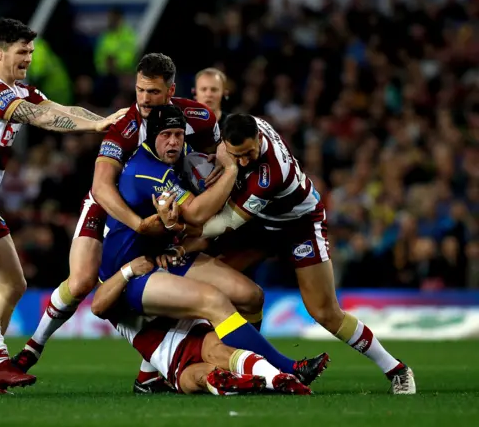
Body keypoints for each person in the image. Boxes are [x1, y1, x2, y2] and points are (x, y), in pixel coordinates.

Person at [0, 18, 125, 394]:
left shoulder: (16, 87)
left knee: (15, 283)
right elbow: (41, 117)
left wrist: (106, 121)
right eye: (22, 52)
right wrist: (93, 127)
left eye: (31, 52)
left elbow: (57, 106)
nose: (28, 59)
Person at [154, 114, 417, 395]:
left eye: (248, 154)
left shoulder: (272, 172)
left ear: (259, 139)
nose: (244, 161)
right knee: (213, 283)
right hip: (262, 222)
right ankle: (248, 368)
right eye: (236, 155)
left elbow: (224, 224)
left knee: (324, 312)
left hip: (298, 225)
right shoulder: (244, 127)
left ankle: (397, 370)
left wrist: (180, 229)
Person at [13, 53, 225, 391]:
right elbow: (101, 185)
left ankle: (149, 372)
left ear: (171, 92)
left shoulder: (198, 118)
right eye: (139, 90)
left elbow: (214, 152)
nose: (142, 99)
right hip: (109, 205)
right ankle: (33, 347)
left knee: (170, 270)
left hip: (160, 204)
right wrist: (139, 224)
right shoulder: (126, 126)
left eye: (152, 92)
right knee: (82, 281)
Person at [97, 105, 328, 387]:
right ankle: (284, 368)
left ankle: (246, 366)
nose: (173, 142)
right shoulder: (148, 172)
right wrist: (230, 168)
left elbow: (181, 223)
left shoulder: (179, 155)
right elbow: (194, 214)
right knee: (213, 301)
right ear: (151, 136)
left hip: (165, 257)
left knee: (251, 295)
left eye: (179, 134)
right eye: (166, 135)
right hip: (132, 273)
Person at [90, 255, 312, 395]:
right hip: (173, 364)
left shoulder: (157, 269)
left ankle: (277, 378)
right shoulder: (114, 295)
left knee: (218, 352)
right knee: (197, 378)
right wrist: (128, 270)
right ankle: (246, 381)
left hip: (194, 336)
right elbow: (98, 306)